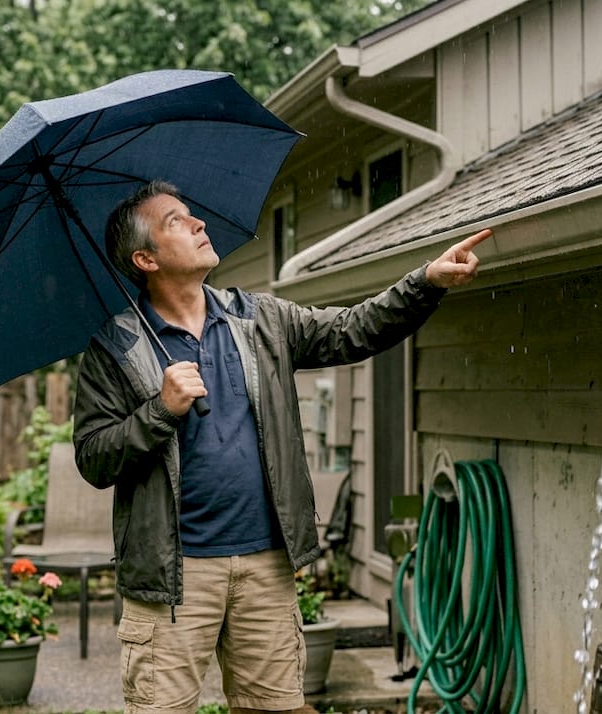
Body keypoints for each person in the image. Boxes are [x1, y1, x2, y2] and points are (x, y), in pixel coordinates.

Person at [73, 179, 491, 714]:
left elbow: (350, 331)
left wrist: (425, 282)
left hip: (264, 565)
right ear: (145, 259)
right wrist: (160, 411)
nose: (199, 224)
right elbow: (93, 456)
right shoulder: (116, 347)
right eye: (176, 221)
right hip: (173, 576)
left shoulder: (260, 320)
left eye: (192, 213)